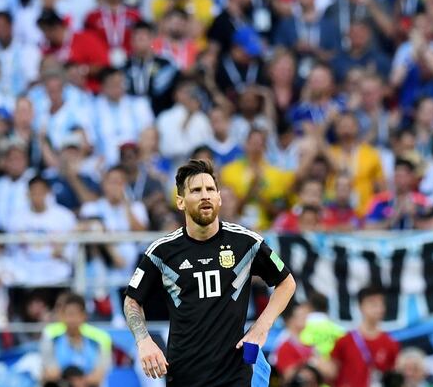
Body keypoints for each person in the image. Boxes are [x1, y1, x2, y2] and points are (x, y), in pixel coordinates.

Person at [124, 158, 296, 384]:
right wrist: (143, 340)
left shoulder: (246, 243)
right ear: (181, 202)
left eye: (210, 189)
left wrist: (261, 327)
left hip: (236, 373)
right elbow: (132, 300)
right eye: (196, 190)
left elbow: (287, 282)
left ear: (219, 198)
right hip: (185, 374)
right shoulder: (162, 251)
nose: (205, 195)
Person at [326, 285, 400, 387]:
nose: (378, 309)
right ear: (361, 306)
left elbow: (393, 374)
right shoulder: (344, 341)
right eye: (373, 304)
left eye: (381, 304)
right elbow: (331, 373)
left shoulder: (391, 343)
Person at [41, 292, 112, 387]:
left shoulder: (100, 338)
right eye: (69, 314)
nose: (72, 320)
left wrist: (80, 382)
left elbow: (98, 375)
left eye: (75, 314)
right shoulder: (51, 335)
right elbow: (50, 373)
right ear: (62, 315)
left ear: (84, 316)